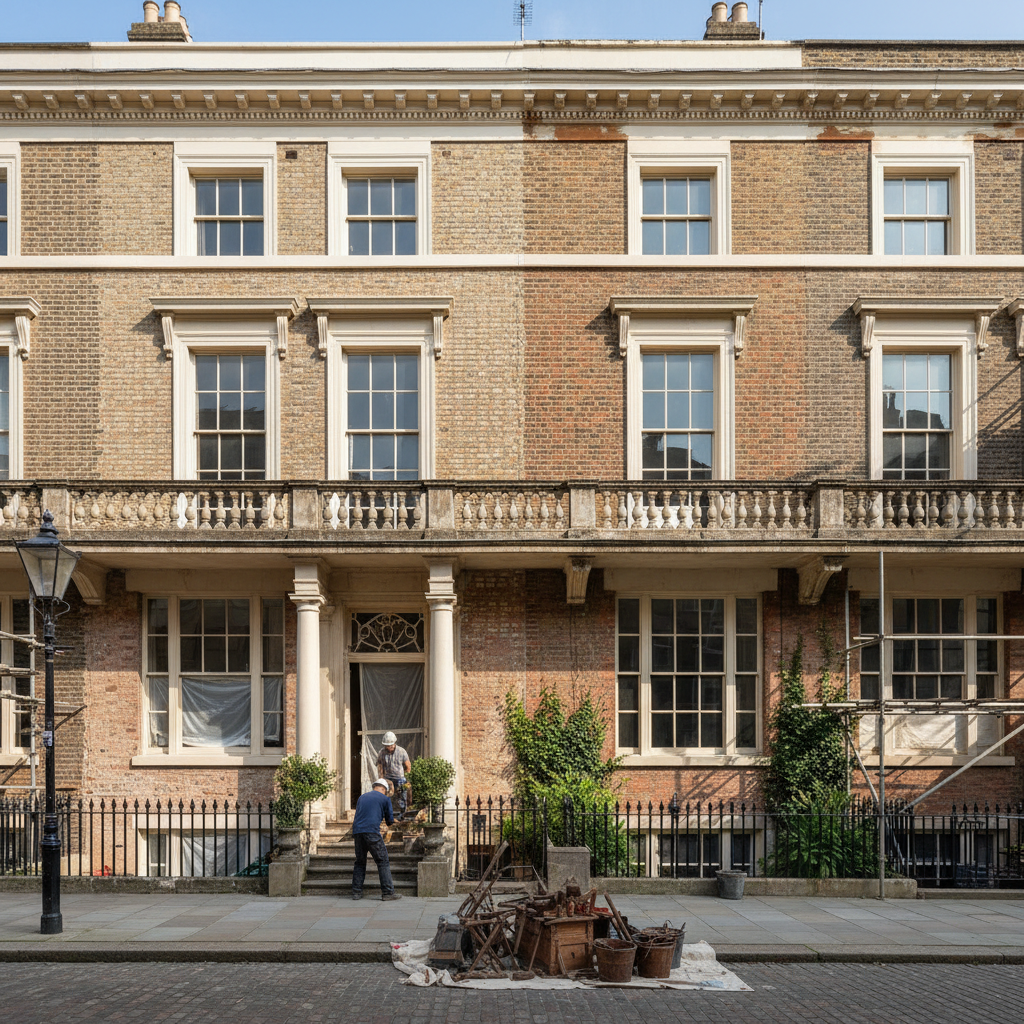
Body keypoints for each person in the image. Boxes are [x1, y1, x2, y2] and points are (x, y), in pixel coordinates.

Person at [350, 778, 402, 901]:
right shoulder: (385, 799)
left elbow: (359, 815)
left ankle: (356, 893)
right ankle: (388, 893)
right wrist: (393, 821)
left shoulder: (362, 797)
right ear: (384, 789)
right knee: (382, 861)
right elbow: (389, 821)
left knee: (360, 862)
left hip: (357, 832)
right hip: (372, 832)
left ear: (375, 786)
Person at [376, 731, 412, 820]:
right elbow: (380, 765)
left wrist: (407, 777)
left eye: (391, 745)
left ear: (394, 743)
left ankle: (402, 814)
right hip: (387, 778)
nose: (389, 747)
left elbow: (408, 765)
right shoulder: (382, 752)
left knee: (402, 796)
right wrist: (381, 778)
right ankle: (385, 814)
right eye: (387, 746)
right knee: (385, 796)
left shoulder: (401, 751)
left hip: (399, 778)